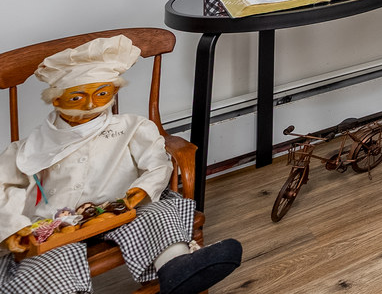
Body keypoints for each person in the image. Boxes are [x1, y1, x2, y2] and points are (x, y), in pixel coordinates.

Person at [1, 36, 241, 294]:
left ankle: (178, 269)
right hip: (56, 226)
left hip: (123, 208)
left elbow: (157, 161)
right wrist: (13, 227)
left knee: (158, 213)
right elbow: (4, 186)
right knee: (46, 261)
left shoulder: (131, 127)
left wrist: (143, 189)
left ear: (114, 92)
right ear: (56, 100)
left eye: (102, 94)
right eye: (77, 98)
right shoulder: (29, 147)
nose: (92, 104)